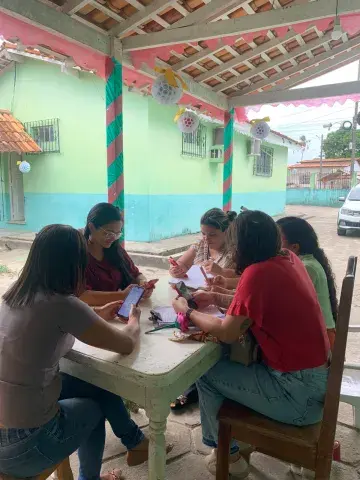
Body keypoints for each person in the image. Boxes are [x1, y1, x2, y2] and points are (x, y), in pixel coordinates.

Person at [172, 210, 330, 478]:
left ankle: (227, 453)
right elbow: (251, 301)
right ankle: (234, 440)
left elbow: (227, 332)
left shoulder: (258, 273)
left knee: (206, 371)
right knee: (228, 361)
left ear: (240, 244)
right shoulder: (288, 258)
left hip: (296, 398)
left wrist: (187, 311)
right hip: (315, 385)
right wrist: (214, 296)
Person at [0, 224, 149, 480]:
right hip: (25, 445)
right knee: (94, 406)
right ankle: (106, 464)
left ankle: (135, 444)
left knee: (92, 384)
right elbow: (125, 344)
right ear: (76, 263)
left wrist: (95, 316)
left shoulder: (13, 295)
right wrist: (134, 318)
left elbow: (53, 326)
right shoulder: (63, 304)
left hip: (5, 427)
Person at [277, 216, 338, 350]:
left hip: (319, 345)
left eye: (277, 241)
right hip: (317, 339)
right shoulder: (307, 263)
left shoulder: (305, 267)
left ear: (294, 247)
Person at [80, 203, 154, 307]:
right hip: (91, 315)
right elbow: (82, 296)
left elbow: (136, 274)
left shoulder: (115, 249)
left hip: (116, 312)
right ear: (91, 227)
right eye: (108, 233)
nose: (113, 238)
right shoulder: (79, 254)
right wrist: (121, 295)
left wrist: (143, 285)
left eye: (117, 233)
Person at [169, 208, 238, 279]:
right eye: (203, 233)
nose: (206, 238)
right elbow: (182, 263)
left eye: (212, 234)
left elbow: (244, 277)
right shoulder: (200, 245)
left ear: (226, 232)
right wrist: (175, 270)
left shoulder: (235, 251)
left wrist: (222, 272)